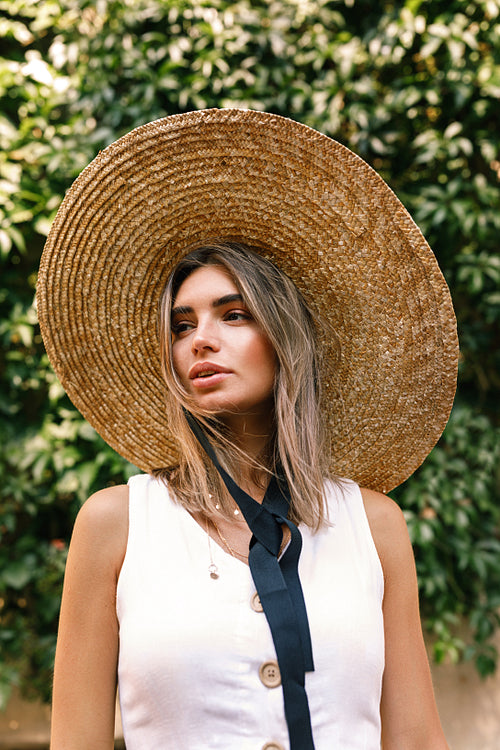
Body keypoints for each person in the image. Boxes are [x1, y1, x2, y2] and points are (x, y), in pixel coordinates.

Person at [37, 110, 457, 750]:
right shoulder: (116, 523)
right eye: (181, 325)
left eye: (233, 315)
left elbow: (417, 741)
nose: (200, 339)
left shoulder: (374, 526)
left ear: (286, 339)